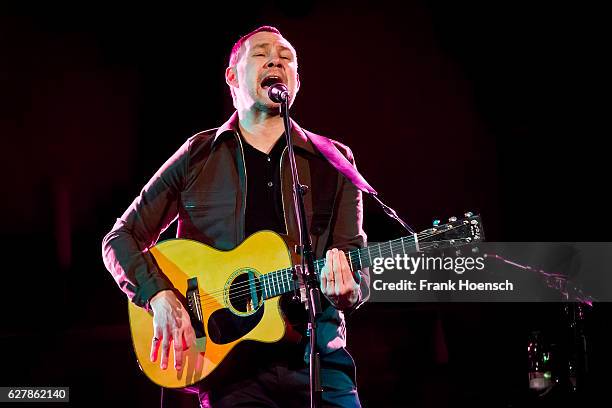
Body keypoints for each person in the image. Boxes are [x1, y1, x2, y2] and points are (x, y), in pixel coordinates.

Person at [102, 25, 370, 407]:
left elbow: (353, 266)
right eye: (261, 53)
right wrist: (159, 296)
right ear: (232, 76)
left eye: (287, 57)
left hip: (319, 361)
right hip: (231, 371)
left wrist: (348, 291)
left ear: (296, 81)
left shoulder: (334, 160)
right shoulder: (198, 155)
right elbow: (119, 238)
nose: (276, 59)